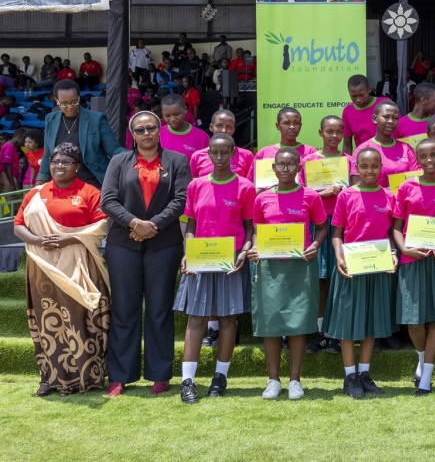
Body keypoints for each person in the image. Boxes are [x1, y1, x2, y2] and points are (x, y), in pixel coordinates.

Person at [101, 111, 190, 397]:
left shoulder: (177, 161)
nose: (146, 133)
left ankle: (160, 373)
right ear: (132, 134)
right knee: (124, 309)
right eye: (140, 130)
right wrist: (134, 223)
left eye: (151, 127)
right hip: (123, 244)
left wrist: (153, 226)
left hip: (164, 244)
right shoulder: (118, 161)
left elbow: (181, 199)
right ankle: (119, 376)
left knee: (159, 309)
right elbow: (108, 201)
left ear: (159, 130)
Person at [14, 142, 110, 396]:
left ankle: (84, 377)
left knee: (80, 319)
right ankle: (50, 378)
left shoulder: (90, 192)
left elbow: (102, 226)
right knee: (47, 321)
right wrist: (37, 240)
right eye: (55, 161)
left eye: (65, 162)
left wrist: (69, 239)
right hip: (42, 265)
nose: (59, 166)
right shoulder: (35, 194)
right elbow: (18, 224)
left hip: (78, 264)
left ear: (76, 166)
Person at [175, 134, 255, 403]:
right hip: (200, 257)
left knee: (228, 318)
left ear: (233, 153)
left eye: (224, 152)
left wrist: (244, 251)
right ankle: (187, 381)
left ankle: (220, 378)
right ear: (208, 154)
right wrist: (187, 254)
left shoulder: (245, 187)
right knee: (196, 318)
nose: (219, 157)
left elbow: (249, 227)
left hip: (231, 259)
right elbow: (191, 225)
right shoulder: (196, 185)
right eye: (215, 152)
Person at [249, 148, 328, 400]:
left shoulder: (310, 196)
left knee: (298, 323)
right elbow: (257, 230)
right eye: (281, 165)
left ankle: (295, 380)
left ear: (299, 168)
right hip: (270, 267)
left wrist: (315, 245)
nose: (286, 169)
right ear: (273, 168)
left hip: (300, 267)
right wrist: (255, 248)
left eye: (291, 165)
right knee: (271, 323)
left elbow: (322, 227)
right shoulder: (262, 198)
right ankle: (273, 380)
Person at [327, 147, 398, 399]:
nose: (370, 171)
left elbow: (391, 233)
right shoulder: (346, 196)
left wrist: (392, 254)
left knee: (370, 320)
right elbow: (337, 233)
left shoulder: (389, 196)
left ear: (381, 168)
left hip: (377, 266)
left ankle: (364, 374)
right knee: (348, 322)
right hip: (351, 266)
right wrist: (339, 257)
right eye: (364, 166)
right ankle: (350, 376)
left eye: (375, 166)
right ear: (356, 168)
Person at [394, 139, 435, 396]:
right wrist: (404, 249)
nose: (429, 160)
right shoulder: (406, 187)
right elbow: (396, 228)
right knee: (413, 320)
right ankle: (422, 360)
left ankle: (427, 377)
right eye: (423, 156)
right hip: (412, 260)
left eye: (434, 154)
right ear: (418, 160)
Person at [302, 116, 357, 355]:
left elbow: (357, 191)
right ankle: (321, 332)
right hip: (318, 225)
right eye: (329, 132)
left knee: (341, 278)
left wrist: (346, 191)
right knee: (320, 280)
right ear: (320, 133)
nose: (334, 136)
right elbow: (301, 194)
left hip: (343, 226)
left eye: (338, 132)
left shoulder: (349, 160)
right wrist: (322, 193)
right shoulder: (308, 161)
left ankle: (338, 332)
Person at [38, 80, 123, 188]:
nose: (70, 107)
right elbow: (47, 154)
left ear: (78, 97)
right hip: (63, 184)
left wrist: (134, 158)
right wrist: (41, 181)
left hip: (93, 183)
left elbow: (113, 149)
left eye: (74, 102)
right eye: (64, 104)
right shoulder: (51, 119)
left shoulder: (96, 119)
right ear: (57, 101)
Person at [355, 101, 417, 189]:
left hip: (404, 197)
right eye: (386, 117)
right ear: (375, 118)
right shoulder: (363, 149)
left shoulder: (406, 148)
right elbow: (356, 184)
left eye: (395, 118)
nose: (391, 121)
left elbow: (416, 179)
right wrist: (387, 192)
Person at [189, 109, 254, 180]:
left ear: (233, 130)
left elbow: (251, 183)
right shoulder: (197, 156)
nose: (224, 130)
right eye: (219, 126)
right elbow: (193, 182)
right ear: (211, 127)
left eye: (229, 127)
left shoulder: (246, 155)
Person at [342, 74, 389, 152]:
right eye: (353, 96)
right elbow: (347, 144)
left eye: (362, 95)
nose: (358, 100)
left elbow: (399, 130)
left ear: (369, 89)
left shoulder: (385, 103)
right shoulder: (348, 111)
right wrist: (347, 159)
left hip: (387, 154)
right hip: (364, 156)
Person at [158, 93, 210, 160]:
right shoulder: (158, 134)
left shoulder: (202, 137)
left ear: (185, 109)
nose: (172, 119)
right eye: (167, 116)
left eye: (177, 114)